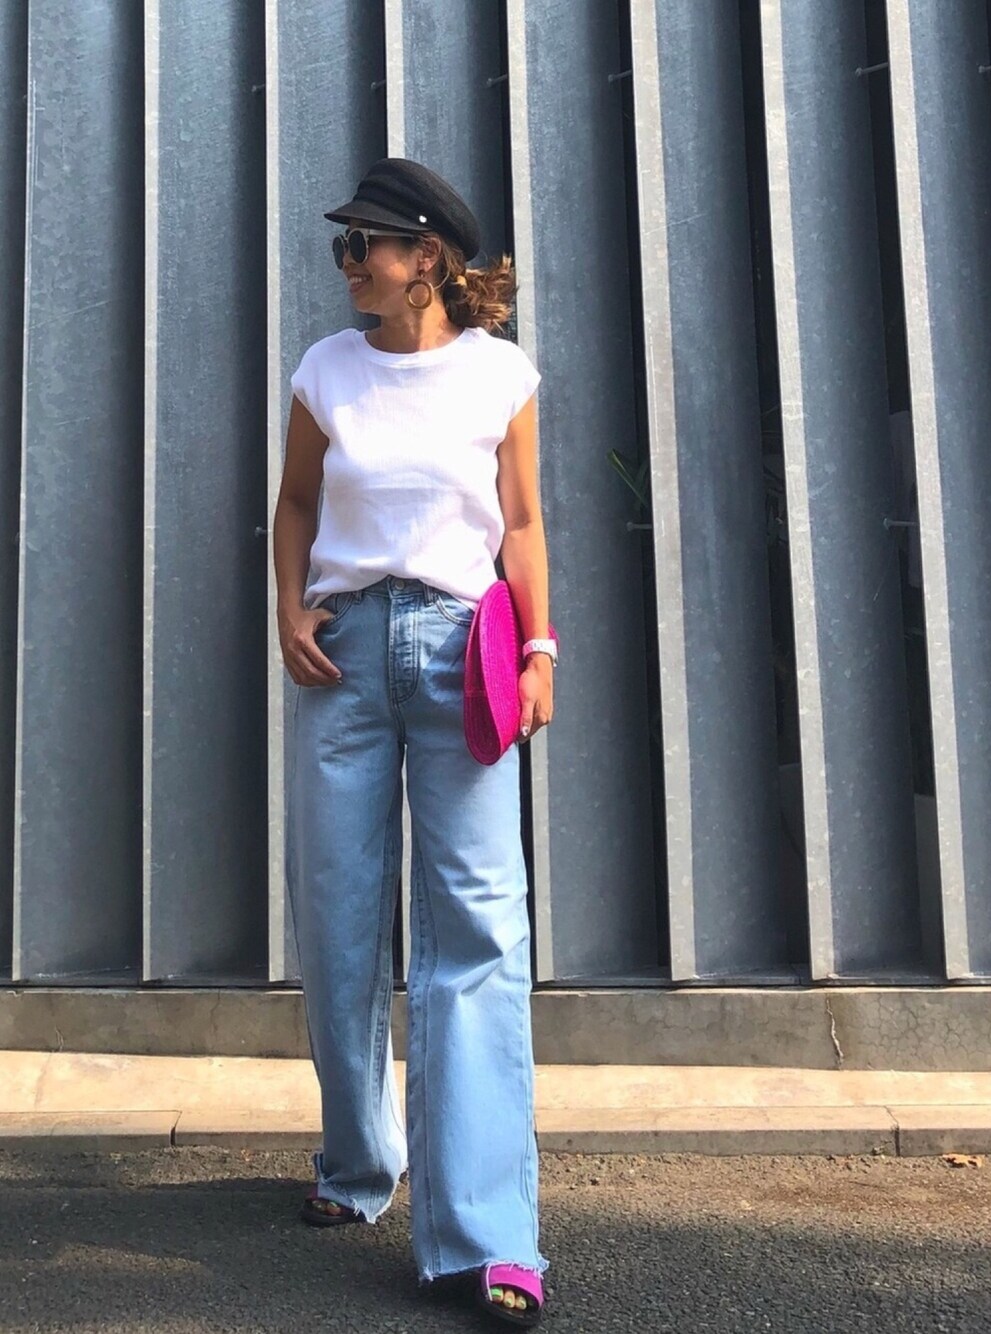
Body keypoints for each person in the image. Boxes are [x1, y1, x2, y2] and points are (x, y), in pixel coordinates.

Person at [272, 158, 556, 1327]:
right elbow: (296, 501)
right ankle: (358, 1163)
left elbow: (523, 522)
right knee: (339, 922)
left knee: (476, 931)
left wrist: (540, 648)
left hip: (461, 652)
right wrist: (287, 606)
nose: (346, 263)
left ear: (424, 256)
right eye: (342, 245)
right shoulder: (325, 370)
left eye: (365, 245)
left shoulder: (499, 373)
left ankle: (488, 1234)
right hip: (343, 661)